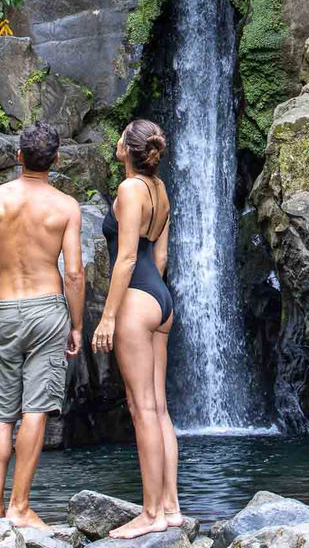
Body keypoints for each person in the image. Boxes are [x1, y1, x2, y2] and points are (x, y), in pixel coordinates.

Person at [0, 122, 85, 529]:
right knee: (35, 409)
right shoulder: (66, 207)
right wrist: (77, 324)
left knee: (2, 414)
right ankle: (21, 507)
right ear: (55, 160)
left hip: (5, 308)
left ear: (18, 156)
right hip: (47, 309)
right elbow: (73, 274)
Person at [91, 119, 179, 538]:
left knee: (141, 408)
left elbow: (126, 259)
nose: (116, 139)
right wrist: (152, 299)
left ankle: (150, 515)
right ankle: (171, 507)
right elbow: (158, 257)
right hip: (161, 299)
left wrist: (110, 316)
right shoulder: (160, 190)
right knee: (158, 408)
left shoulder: (129, 190)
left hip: (137, 299)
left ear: (127, 147)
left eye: (120, 134)